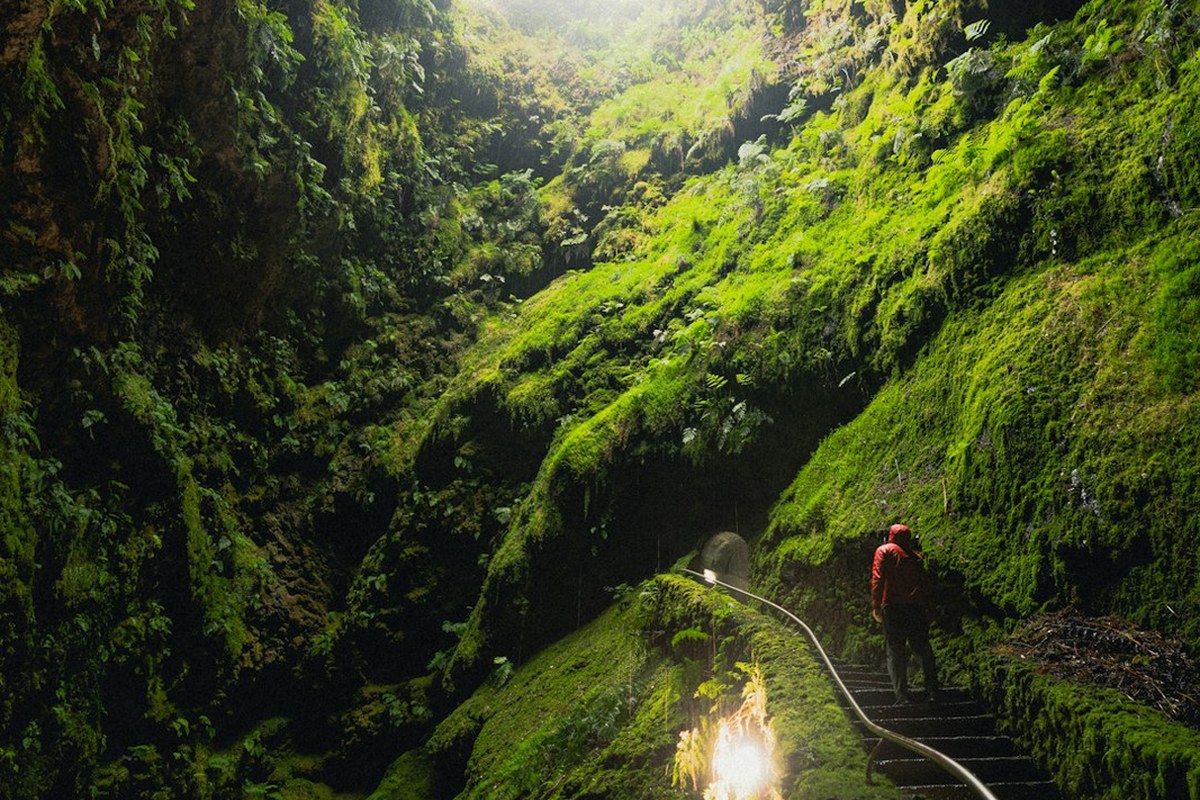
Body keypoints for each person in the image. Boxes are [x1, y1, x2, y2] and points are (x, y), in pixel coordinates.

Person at [871, 523, 939, 704]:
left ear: (890, 536)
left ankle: (902, 696)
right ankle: (933, 692)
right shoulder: (916, 557)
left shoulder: (884, 551)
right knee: (923, 649)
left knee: (895, 651)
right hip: (916, 609)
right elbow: (925, 585)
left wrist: (876, 605)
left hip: (893, 607)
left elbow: (878, 579)